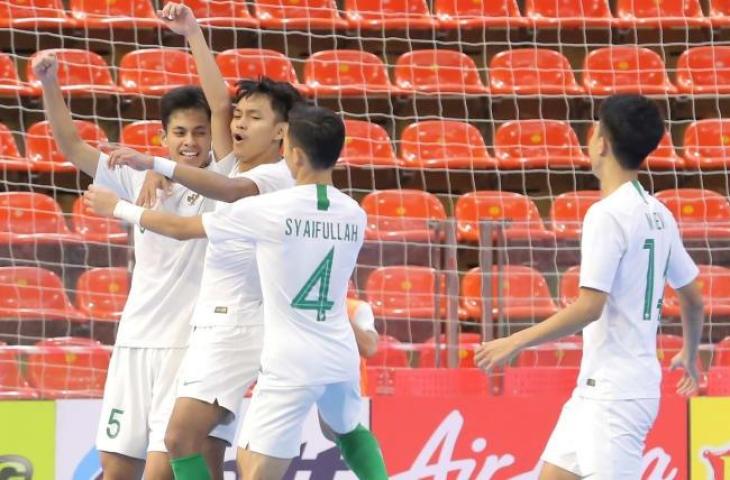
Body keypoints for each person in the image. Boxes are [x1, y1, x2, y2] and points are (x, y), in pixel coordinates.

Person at [84, 104, 388, 480]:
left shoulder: (270, 209)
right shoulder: (355, 213)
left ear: (293, 153)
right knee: (348, 430)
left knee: (247, 466)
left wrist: (119, 208)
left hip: (290, 360)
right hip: (339, 354)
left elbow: (181, 228)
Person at [475, 95, 705, 480]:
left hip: (616, 397)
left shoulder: (607, 214)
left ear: (602, 142)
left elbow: (589, 307)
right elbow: (693, 297)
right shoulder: (659, 213)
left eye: (596, 126)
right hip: (599, 389)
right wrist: (690, 352)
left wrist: (513, 342)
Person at [31, 53, 231, 480]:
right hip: (135, 340)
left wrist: (118, 208)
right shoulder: (139, 178)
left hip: (188, 347)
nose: (191, 141)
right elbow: (71, 145)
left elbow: (223, 106)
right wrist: (49, 83)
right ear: (163, 138)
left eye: (200, 131)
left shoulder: (223, 184)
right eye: (180, 132)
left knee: (164, 471)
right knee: (116, 469)